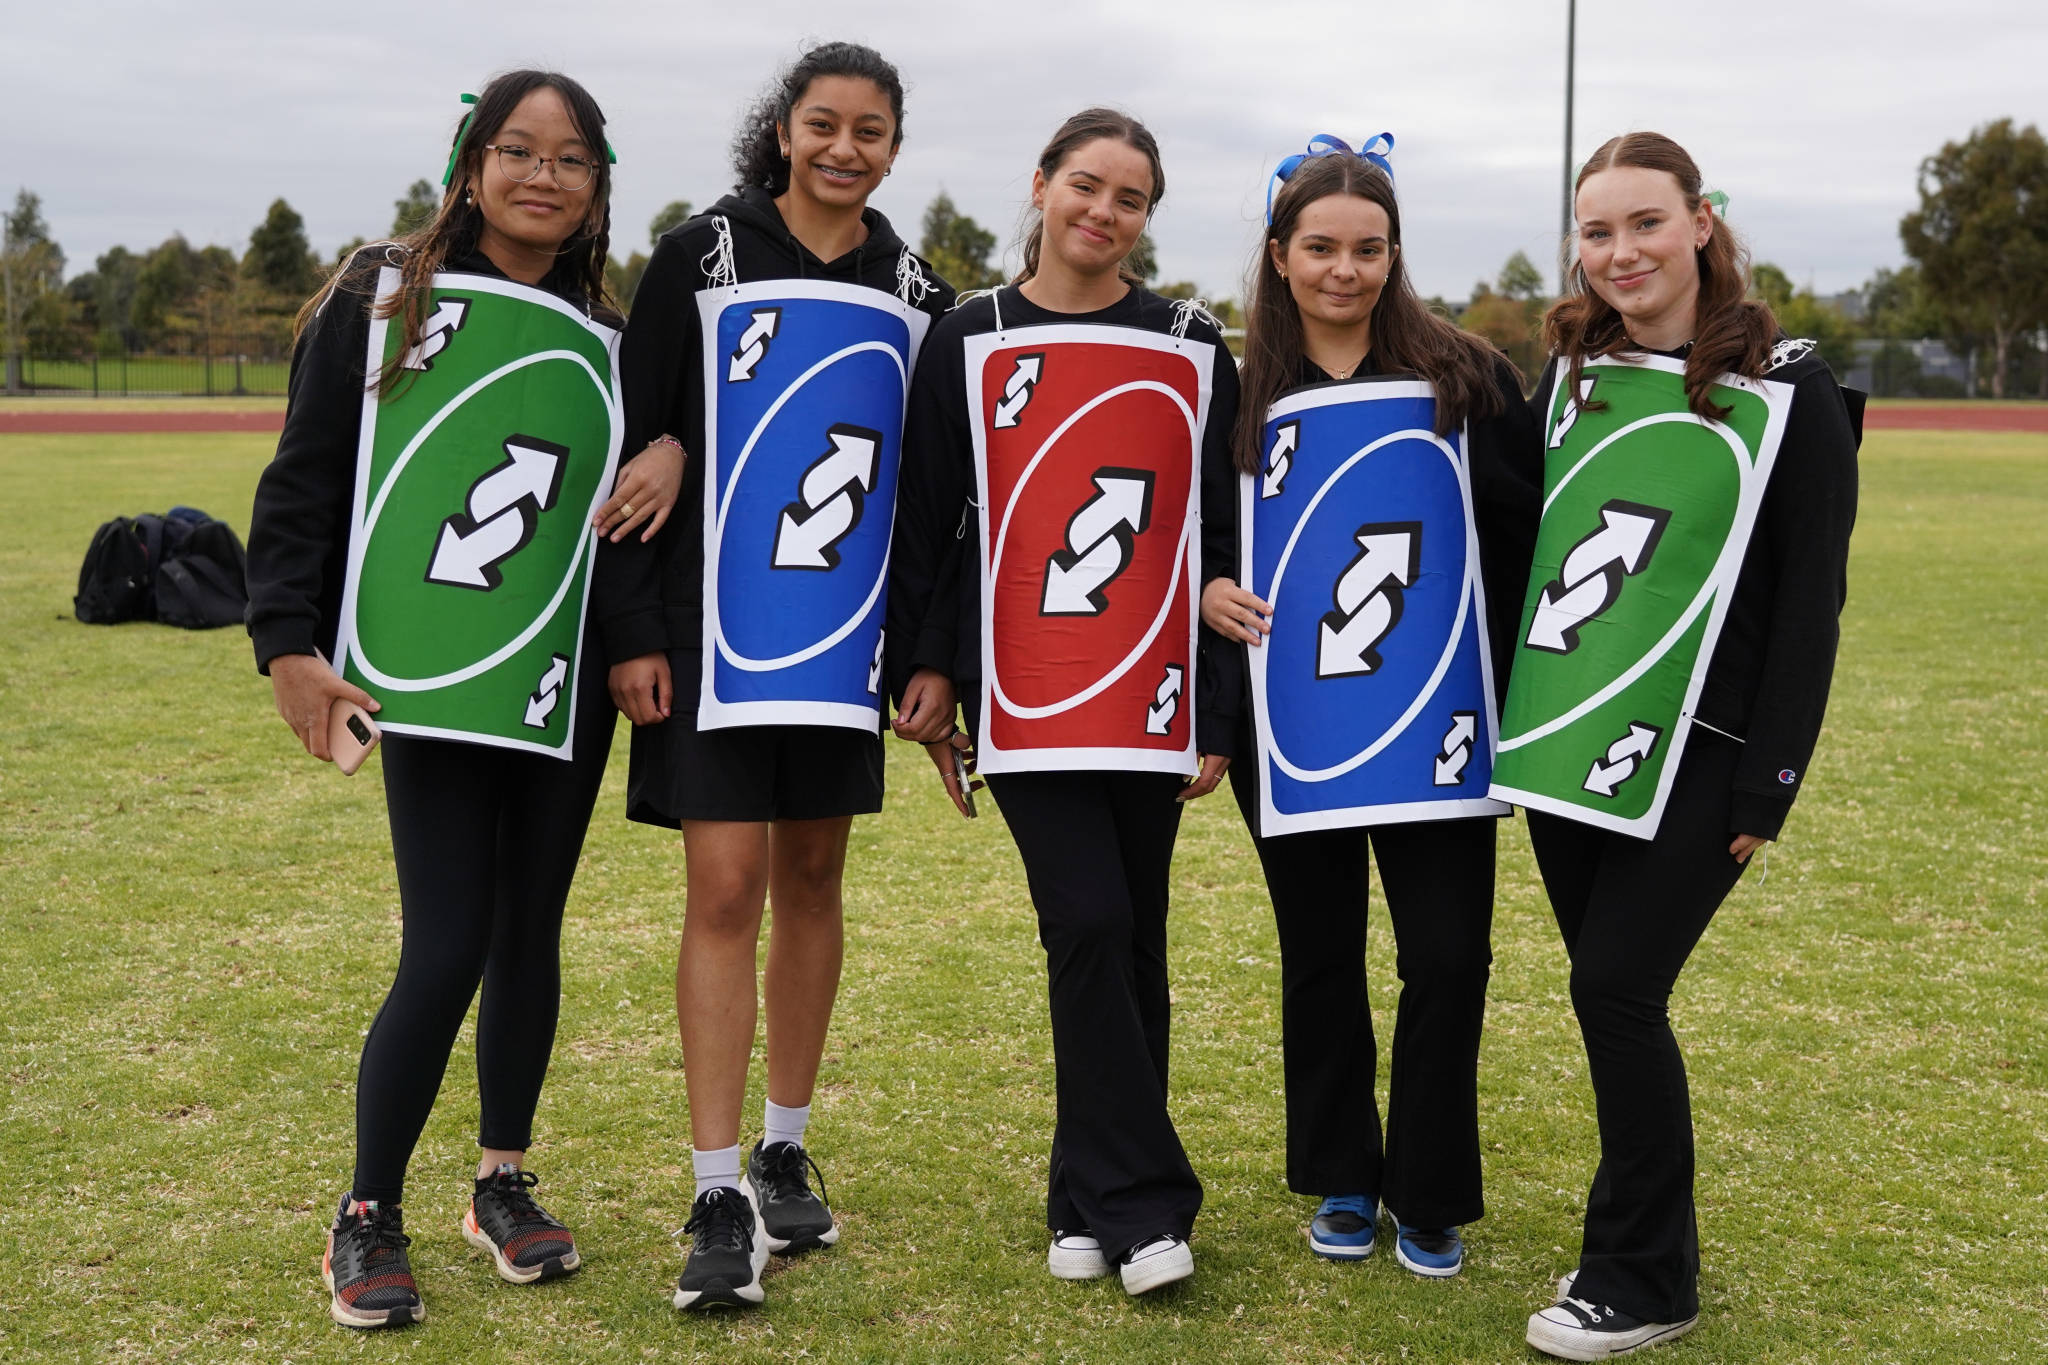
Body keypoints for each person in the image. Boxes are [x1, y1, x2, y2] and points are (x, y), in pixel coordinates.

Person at [246, 71, 682, 1328]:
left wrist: (671, 446)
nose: (544, 175)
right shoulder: (384, 294)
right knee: (445, 939)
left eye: (572, 158)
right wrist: (286, 647)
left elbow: (620, 514)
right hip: (434, 674)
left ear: (598, 186)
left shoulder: (609, 334)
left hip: (556, 679)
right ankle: (365, 1210)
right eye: (519, 150)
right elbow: (308, 476)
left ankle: (500, 1180)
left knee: (529, 930)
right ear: (471, 164)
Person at [594, 41, 954, 1311]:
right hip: (709, 640)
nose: (844, 149)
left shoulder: (918, 290)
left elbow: (929, 494)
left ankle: (783, 1146)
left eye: (869, 131)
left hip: (837, 644)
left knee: (810, 880)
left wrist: (926, 655)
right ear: (785, 129)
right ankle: (712, 1188)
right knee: (724, 886)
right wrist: (633, 629)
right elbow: (640, 442)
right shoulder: (699, 254)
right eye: (823, 124)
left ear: (893, 148)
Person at [1505, 132, 1859, 1360]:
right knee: (1608, 995)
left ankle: (1642, 1279)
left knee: (1614, 988)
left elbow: (1810, 600)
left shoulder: (1790, 386)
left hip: (1705, 750)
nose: (1620, 253)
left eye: (1644, 223)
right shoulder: (1569, 371)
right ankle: (1643, 1245)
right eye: (1595, 231)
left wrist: (1770, 781)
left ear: (1700, 222)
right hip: (1572, 736)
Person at [885, 107, 1239, 1297]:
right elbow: (934, 516)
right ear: (1040, 185)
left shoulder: (1190, 338)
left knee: (1132, 937)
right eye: (1085, 185)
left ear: (1146, 218)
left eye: (1130, 198)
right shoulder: (970, 333)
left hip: (1150, 687)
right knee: (1084, 918)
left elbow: (1218, 532)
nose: (1103, 211)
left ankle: (1080, 1195)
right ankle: (1145, 1209)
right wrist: (925, 666)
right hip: (1024, 684)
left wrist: (1217, 712)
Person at [1202, 141, 1542, 1277]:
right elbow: (1197, 537)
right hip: (1291, 721)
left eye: (1367, 248)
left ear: (1394, 255)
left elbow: (1524, 539)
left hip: (1437, 717)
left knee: (1447, 956)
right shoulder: (1236, 390)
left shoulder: (1466, 377)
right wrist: (1207, 588)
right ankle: (1342, 1172)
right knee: (1320, 953)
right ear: (1277, 255)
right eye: (1320, 248)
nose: (1343, 270)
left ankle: (1430, 1189)